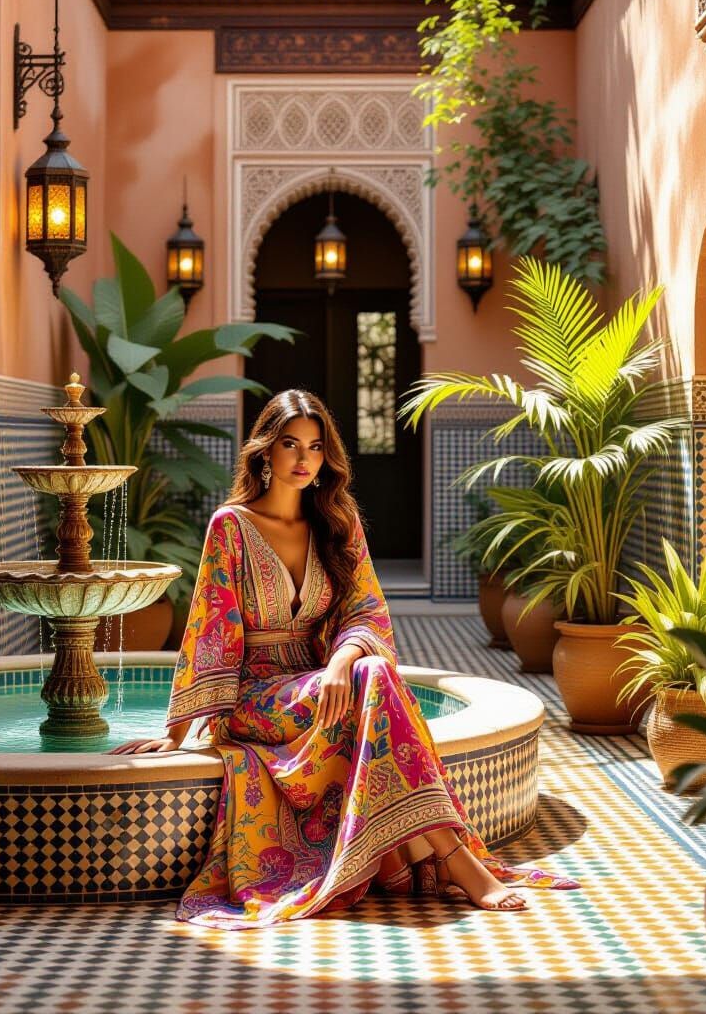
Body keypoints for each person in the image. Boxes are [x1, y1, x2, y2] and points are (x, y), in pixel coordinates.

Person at [110, 389, 578, 929]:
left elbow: (368, 609)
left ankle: (451, 857)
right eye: (290, 444)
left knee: (372, 670)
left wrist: (338, 664)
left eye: (314, 446)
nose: (304, 458)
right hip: (255, 695)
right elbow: (210, 628)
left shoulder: (337, 519)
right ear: (266, 452)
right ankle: (455, 859)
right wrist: (178, 731)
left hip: (322, 679)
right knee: (373, 678)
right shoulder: (231, 526)